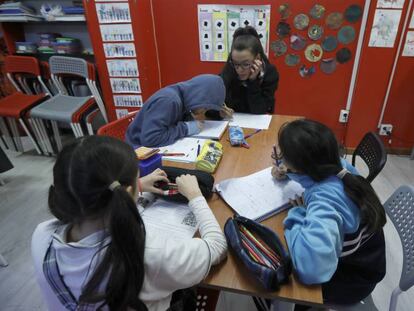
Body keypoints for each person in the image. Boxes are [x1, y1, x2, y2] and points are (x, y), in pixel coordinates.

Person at [31, 135, 227, 311]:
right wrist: (195, 196)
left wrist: (138, 187)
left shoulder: (42, 236)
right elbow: (217, 247)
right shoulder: (149, 254)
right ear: (125, 192)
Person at [271, 119, 386, 306]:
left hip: (352, 278)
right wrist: (287, 171)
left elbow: (311, 269)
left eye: (283, 155)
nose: (280, 158)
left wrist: (299, 213)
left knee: (283, 281)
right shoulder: (337, 165)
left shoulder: (325, 199)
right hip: (366, 258)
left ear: (301, 166)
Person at [125, 74, 229, 148]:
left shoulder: (184, 96)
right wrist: (186, 128)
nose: (203, 112)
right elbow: (150, 139)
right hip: (138, 153)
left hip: (153, 148)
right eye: (205, 107)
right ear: (199, 95)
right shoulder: (169, 101)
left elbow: (174, 121)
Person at [219, 26, 279, 114]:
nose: (239, 70)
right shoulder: (229, 69)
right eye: (236, 64)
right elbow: (212, 106)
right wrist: (219, 113)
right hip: (233, 122)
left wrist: (253, 81)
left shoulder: (269, 73)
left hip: (258, 122)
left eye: (245, 64)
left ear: (257, 58)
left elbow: (259, 110)